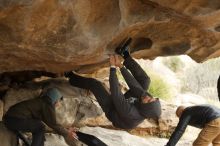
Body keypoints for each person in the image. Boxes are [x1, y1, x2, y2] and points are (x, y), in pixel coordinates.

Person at [64, 38, 161, 129]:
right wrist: (121, 66)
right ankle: (125, 54)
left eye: (148, 101)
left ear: (146, 108)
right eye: (151, 98)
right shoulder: (146, 100)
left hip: (113, 110)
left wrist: (113, 67)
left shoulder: (130, 113)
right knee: (145, 81)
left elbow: (116, 94)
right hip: (129, 103)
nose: (148, 97)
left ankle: (70, 76)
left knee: (95, 85)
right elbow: (134, 86)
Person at [3, 87, 78, 146]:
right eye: (58, 101)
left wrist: (66, 129)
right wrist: (67, 133)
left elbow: (50, 121)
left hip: (11, 118)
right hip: (13, 119)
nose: (59, 104)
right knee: (40, 127)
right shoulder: (47, 104)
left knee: (39, 125)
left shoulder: (41, 102)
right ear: (54, 99)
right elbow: (53, 124)